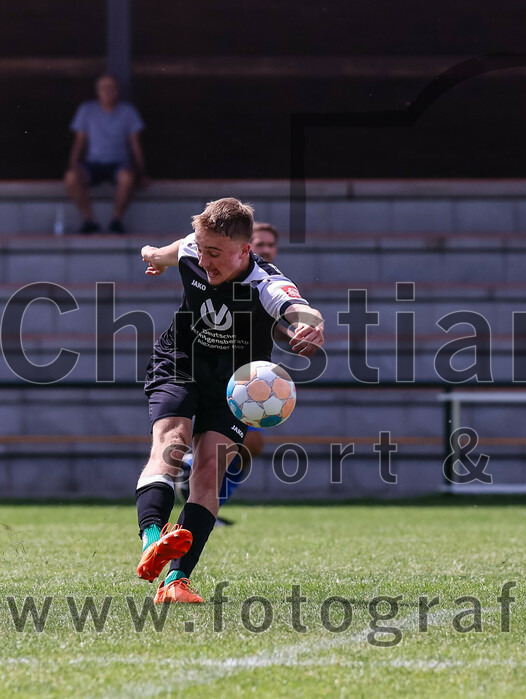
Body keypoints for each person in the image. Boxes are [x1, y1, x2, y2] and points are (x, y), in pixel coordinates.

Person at [135, 198, 324, 603]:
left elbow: (301, 310)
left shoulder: (265, 282)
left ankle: (176, 582)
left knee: (208, 473)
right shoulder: (193, 249)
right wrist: (152, 255)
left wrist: (310, 328)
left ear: (244, 250)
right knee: (171, 443)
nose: (204, 261)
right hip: (179, 363)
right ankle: (152, 539)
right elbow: (168, 252)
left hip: (236, 384)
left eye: (215, 253)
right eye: (202, 249)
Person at [174, 221, 282, 521]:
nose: (266, 250)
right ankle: (193, 473)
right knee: (240, 443)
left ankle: (206, 501)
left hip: (245, 372)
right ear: (244, 248)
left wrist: (296, 330)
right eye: (260, 244)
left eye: (271, 244)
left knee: (250, 445)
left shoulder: (268, 280)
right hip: (214, 368)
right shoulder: (221, 273)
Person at [64, 74, 148, 234]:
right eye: (103, 87)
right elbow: (79, 142)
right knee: (71, 177)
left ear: (117, 90)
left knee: (127, 177)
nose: (107, 91)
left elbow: (135, 144)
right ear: (97, 90)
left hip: (119, 163)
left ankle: (116, 220)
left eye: (111, 87)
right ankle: (89, 220)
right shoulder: (86, 110)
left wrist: (142, 172)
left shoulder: (128, 111)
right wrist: (73, 166)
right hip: (92, 164)